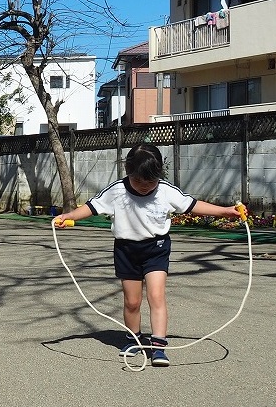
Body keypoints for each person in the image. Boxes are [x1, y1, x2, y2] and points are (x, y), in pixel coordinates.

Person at [52, 142, 244, 368]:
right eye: (138, 181)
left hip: (156, 249)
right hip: (126, 250)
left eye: (150, 182)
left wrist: (225, 211)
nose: (144, 186)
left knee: (156, 296)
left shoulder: (166, 191)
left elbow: (192, 205)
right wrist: (69, 216)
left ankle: (159, 346)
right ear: (128, 172)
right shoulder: (117, 191)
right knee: (132, 302)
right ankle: (133, 339)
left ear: (158, 174)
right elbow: (92, 207)